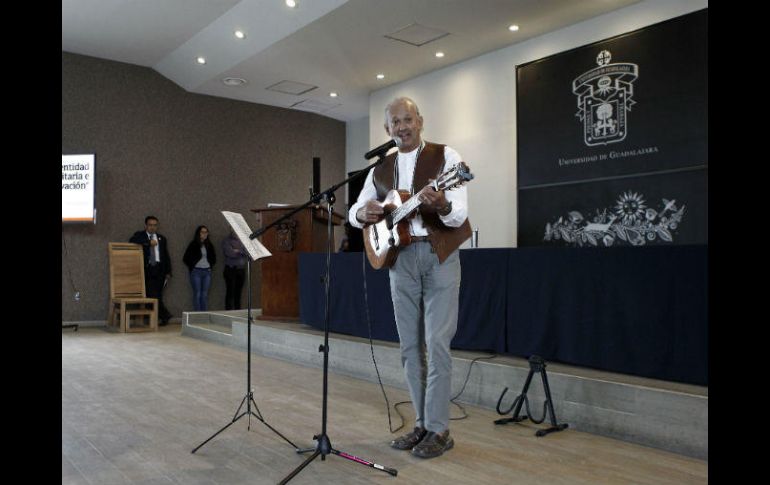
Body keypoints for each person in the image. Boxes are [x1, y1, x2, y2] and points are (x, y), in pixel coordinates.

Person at [348, 97, 471, 459]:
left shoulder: (446, 157)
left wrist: (442, 204)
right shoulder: (379, 170)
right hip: (399, 259)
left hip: (438, 255)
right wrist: (363, 213)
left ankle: (439, 429)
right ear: (387, 130)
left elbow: (458, 211)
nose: (402, 126)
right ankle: (421, 424)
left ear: (420, 121)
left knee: (436, 343)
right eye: (395, 122)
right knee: (409, 347)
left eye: (408, 119)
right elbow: (356, 210)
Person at [130, 216, 173, 325]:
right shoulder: (140, 235)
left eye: (155, 225)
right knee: (151, 294)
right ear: (146, 225)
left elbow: (165, 255)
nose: (153, 227)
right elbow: (132, 240)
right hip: (148, 268)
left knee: (157, 294)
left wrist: (168, 271)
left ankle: (162, 317)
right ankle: (164, 315)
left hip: (160, 269)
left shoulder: (161, 238)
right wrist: (149, 243)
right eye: (150, 225)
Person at [183, 225, 216, 312]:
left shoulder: (209, 245)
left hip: (207, 272)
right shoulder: (193, 244)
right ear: (198, 233)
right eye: (202, 232)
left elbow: (213, 258)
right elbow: (185, 258)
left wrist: (210, 267)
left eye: (206, 232)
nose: (204, 234)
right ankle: (197, 314)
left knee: (204, 294)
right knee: (197, 294)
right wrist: (193, 266)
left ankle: (204, 314)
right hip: (196, 272)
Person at [221, 230, 247, 310]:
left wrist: (237, 250)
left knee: (238, 293)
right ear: (231, 229)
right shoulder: (226, 241)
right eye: (232, 228)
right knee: (230, 292)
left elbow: (247, 252)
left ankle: (237, 312)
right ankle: (228, 312)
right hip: (231, 269)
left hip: (241, 269)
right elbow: (230, 253)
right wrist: (241, 252)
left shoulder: (243, 240)